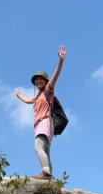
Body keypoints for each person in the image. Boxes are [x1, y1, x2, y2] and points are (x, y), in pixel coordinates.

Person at [14, 46, 67, 180]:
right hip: (40, 124)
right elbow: (27, 100)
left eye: (41, 79)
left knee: (38, 146)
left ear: (45, 80)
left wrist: (61, 60)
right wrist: (19, 95)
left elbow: (56, 75)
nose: (38, 81)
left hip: (45, 122)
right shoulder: (37, 97)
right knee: (46, 151)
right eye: (36, 80)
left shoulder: (48, 90)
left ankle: (45, 172)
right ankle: (49, 176)